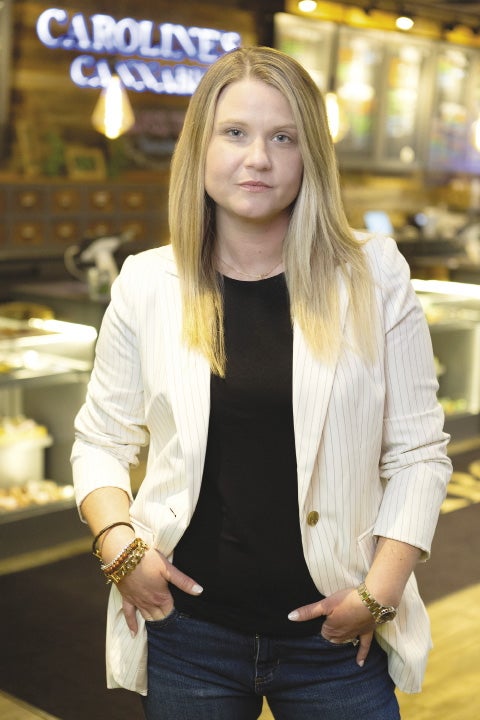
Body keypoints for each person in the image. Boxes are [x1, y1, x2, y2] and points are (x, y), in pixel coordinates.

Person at [71, 46, 452, 720]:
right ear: (201, 147)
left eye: (284, 137)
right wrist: (120, 549)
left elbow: (418, 453)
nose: (259, 159)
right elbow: (101, 440)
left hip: (339, 640)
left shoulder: (376, 275)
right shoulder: (147, 282)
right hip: (189, 635)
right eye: (236, 133)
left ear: (311, 156)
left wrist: (377, 594)